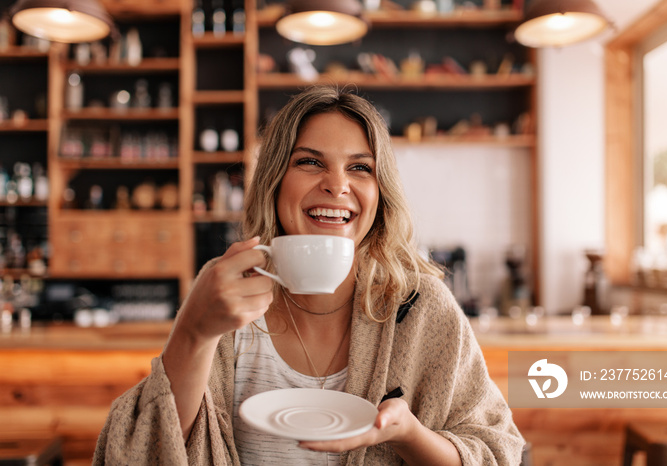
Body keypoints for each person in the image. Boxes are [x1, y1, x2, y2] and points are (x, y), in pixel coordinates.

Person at [93, 86, 525, 465]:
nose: (337, 185)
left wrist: (408, 434)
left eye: (360, 167)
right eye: (310, 162)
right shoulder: (228, 306)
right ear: (275, 181)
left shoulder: (419, 307)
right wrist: (193, 331)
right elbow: (140, 453)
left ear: (380, 194)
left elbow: (497, 451)